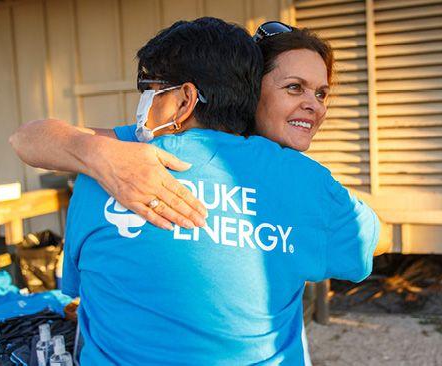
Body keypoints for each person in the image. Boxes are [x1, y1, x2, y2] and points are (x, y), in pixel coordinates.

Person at [26, 17, 379, 364]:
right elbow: (368, 243)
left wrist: (92, 154)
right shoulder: (308, 183)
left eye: (148, 88)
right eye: (294, 88)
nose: (314, 106)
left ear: (185, 100)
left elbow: (77, 292)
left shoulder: (102, 170)